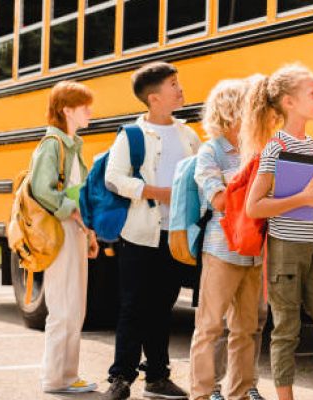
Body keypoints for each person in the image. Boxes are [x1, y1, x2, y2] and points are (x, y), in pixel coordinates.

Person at [243, 64, 313, 400]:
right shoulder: (275, 147)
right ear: (289, 102)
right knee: (287, 330)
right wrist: (300, 199)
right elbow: (253, 206)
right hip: (286, 249)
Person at [103, 62, 201, 400]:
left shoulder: (188, 135)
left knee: (162, 307)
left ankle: (157, 377)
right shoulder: (132, 135)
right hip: (140, 234)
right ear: (154, 97)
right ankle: (121, 377)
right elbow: (113, 178)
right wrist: (157, 192)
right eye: (173, 84)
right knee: (133, 306)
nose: (180, 88)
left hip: (175, 234)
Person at [190, 77, 268, 400]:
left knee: (246, 329)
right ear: (232, 111)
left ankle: (239, 392)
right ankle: (201, 394)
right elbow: (220, 201)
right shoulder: (210, 152)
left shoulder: (257, 149)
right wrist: (253, 182)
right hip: (221, 249)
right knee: (209, 327)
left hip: (254, 251)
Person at [32, 80, 99, 394]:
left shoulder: (71, 144)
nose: (90, 111)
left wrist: (88, 232)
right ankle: (56, 378)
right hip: (59, 231)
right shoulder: (53, 144)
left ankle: (67, 374)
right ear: (66, 110)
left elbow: (77, 192)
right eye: (84, 106)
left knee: (74, 306)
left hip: (73, 230)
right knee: (63, 306)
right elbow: (42, 189)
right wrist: (72, 210)